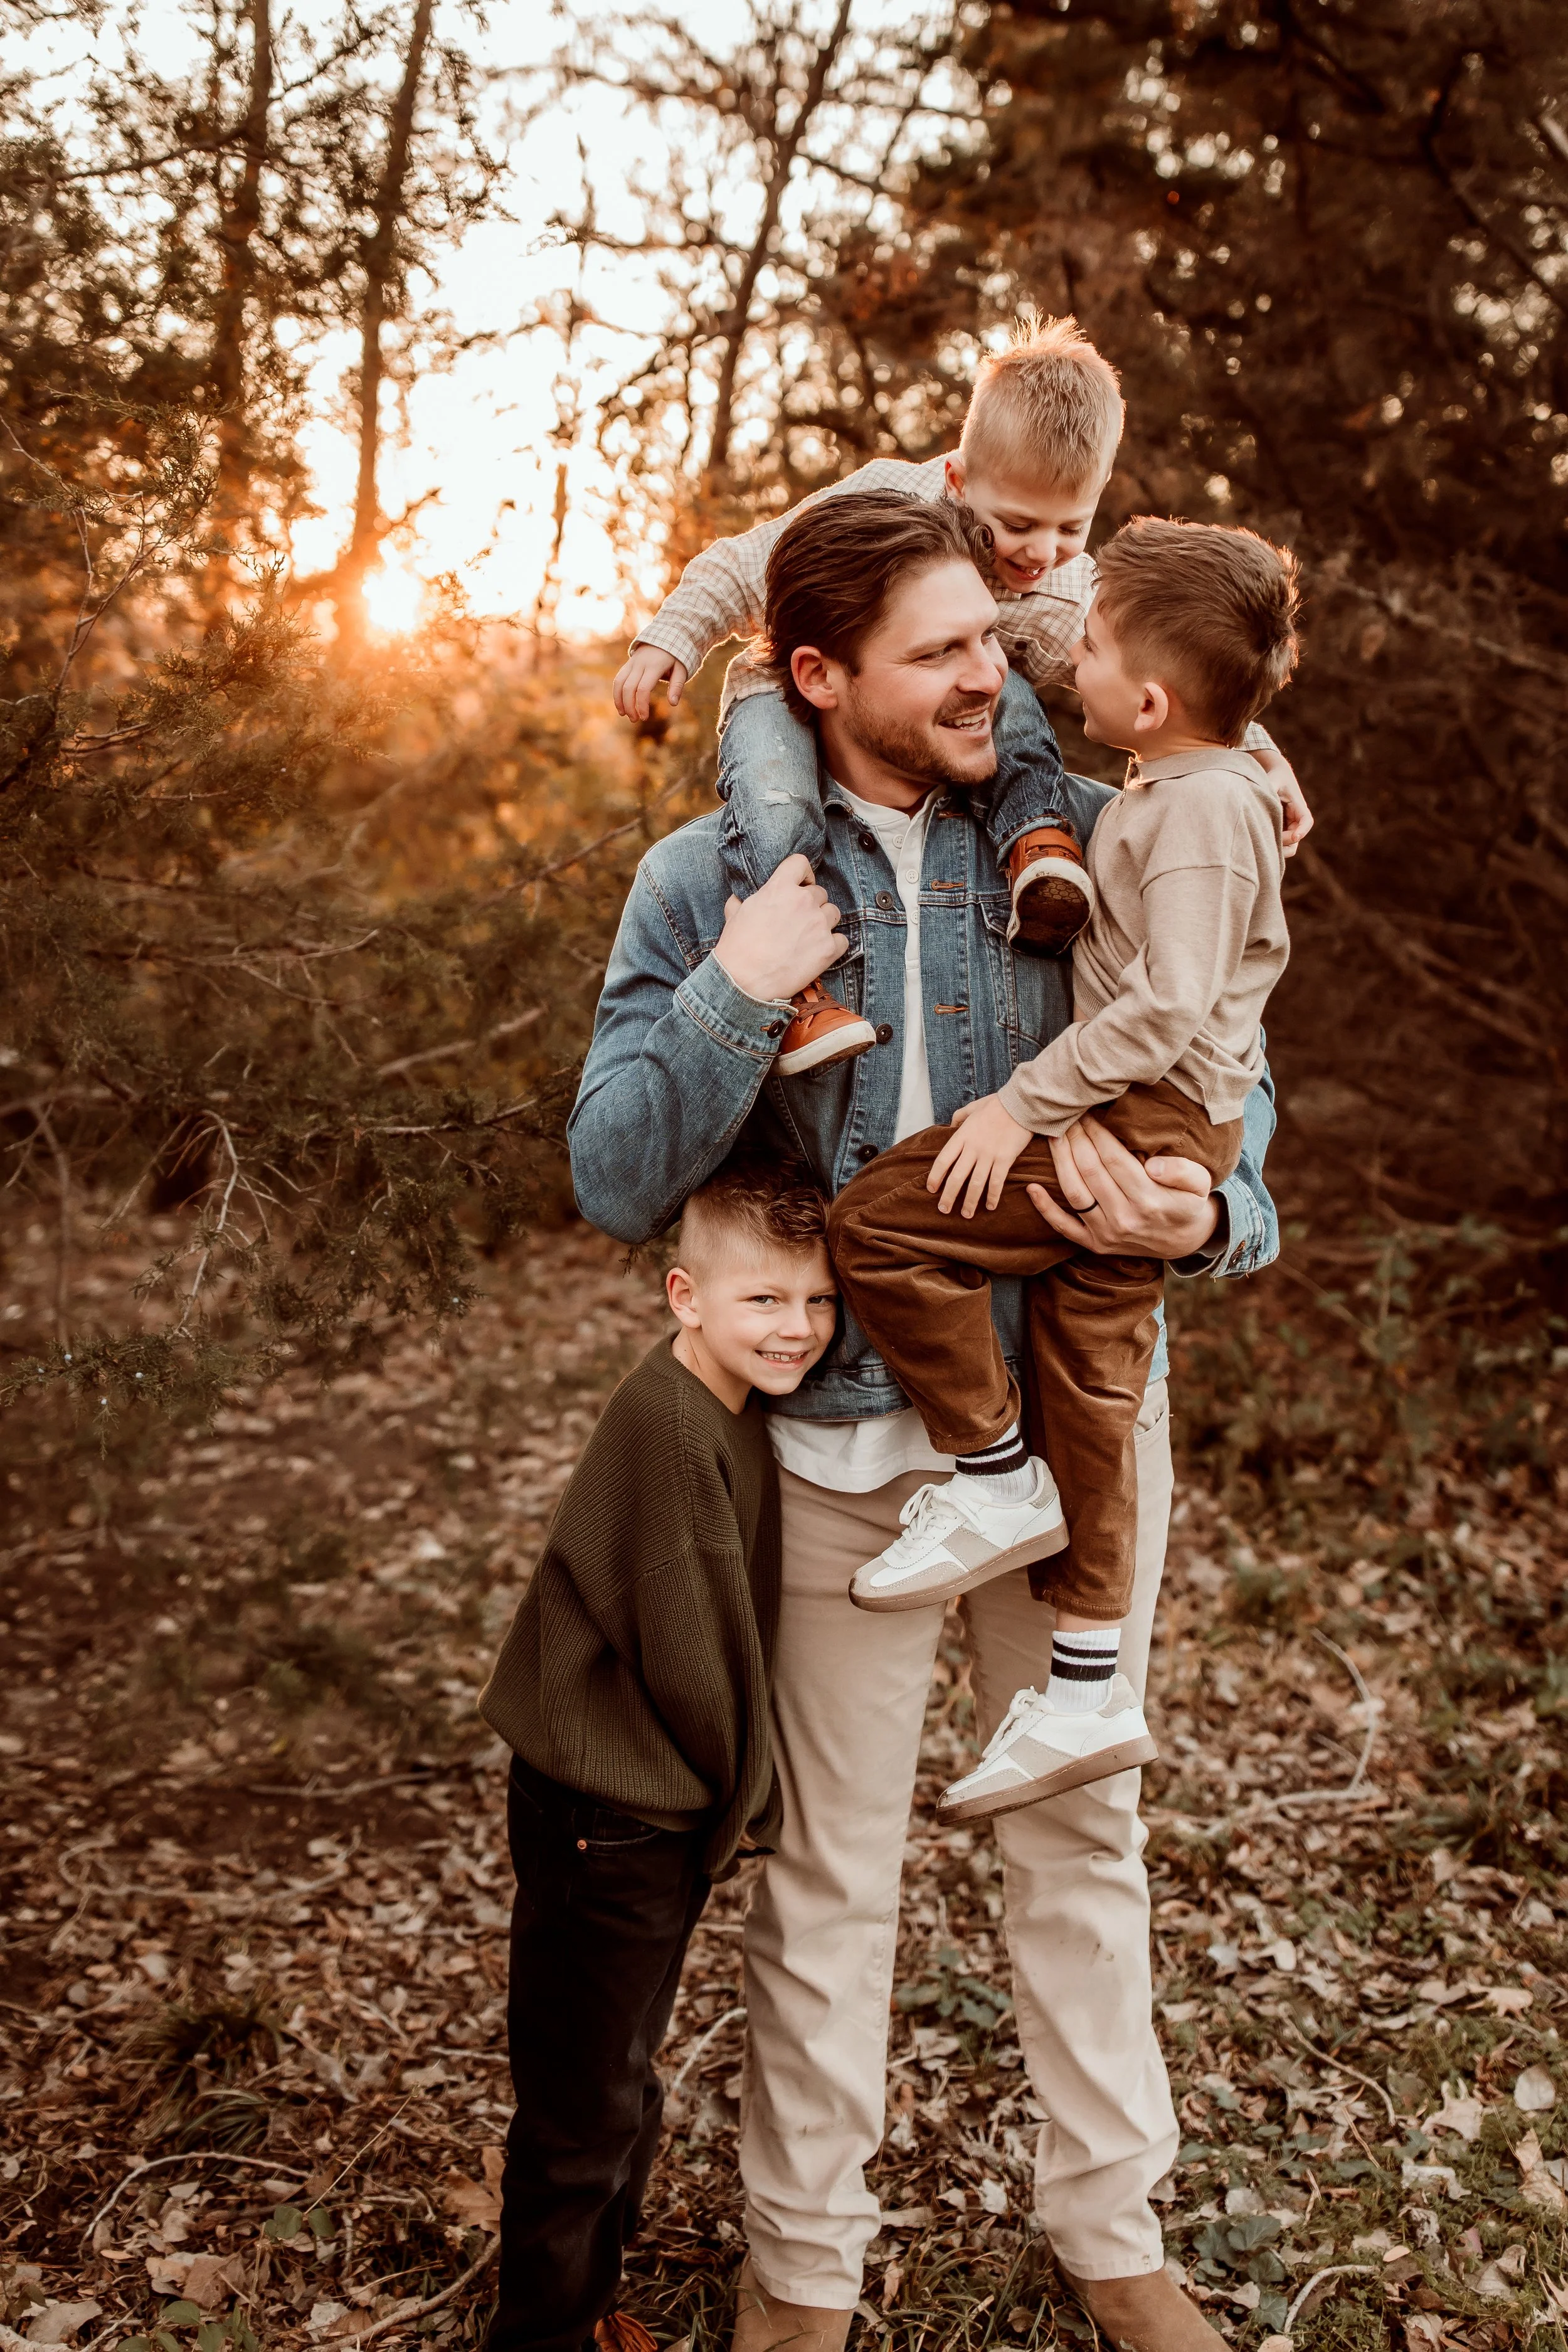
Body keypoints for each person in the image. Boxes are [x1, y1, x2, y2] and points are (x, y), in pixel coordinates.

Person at [569, 487, 1281, 2352]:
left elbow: (1229, 1077)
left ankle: (1111, 2231)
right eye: (943, 651)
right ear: (814, 678)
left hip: (1067, 1423)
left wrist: (1209, 1209)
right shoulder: (703, 879)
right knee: (827, 1873)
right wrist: (737, 989)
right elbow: (611, 1170)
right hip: (840, 1456)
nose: (996, 670)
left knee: (1081, 1834)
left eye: (996, 633)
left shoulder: (1080, 847)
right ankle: (800, 2275)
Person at [828, 515, 1298, 1824]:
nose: (1058, 667)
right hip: (1144, 1115)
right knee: (1091, 1383)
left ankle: (990, 1475)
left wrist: (1016, 1109)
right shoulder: (1185, 786)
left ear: (1144, 699)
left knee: (877, 1223)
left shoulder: (1199, 812)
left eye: (1083, 649)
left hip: (1135, 1120)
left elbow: (1171, 1003)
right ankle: (1090, 1684)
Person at [611, 314, 1311, 1078]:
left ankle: (1035, 842)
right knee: (776, 805)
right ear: (957, 480)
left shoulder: (1056, 585)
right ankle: (794, 987)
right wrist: (672, 636)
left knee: (1008, 690)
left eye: (1069, 528)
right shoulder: (880, 503)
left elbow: (1166, 679)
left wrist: (1250, 749)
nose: (1040, 553)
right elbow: (742, 567)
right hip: (775, 691)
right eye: (1017, 524)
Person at [477, 1157, 838, 2352]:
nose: (798, 1330)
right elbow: (695, 1659)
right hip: (608, 1817)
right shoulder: (672, 1430)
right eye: (765, 1302)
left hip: (640, 1809)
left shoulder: (730, 1405)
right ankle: (543, 2333)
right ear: (685, 1296)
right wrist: (754, 1803)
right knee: (585, 2109)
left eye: (818, 1302)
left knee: (623, 2077)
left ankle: (587, 2305)